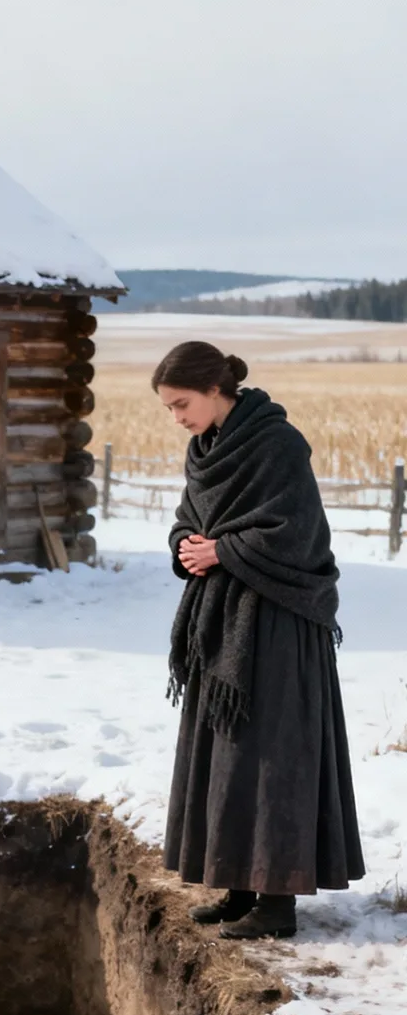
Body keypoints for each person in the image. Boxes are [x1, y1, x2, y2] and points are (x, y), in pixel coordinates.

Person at [154, 341, 364, 939]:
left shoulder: (277, 443)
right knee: (231, 754)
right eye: (168, 409)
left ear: (214, 388)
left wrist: (222, 549)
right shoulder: (207, 449)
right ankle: (239, 887)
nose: (177, 418)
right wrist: (187, 547)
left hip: (278, 621)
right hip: (222, 623)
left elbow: (298, 536)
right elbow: (188, 519)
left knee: (276, 756)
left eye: (181, 403)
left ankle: (277, 906)